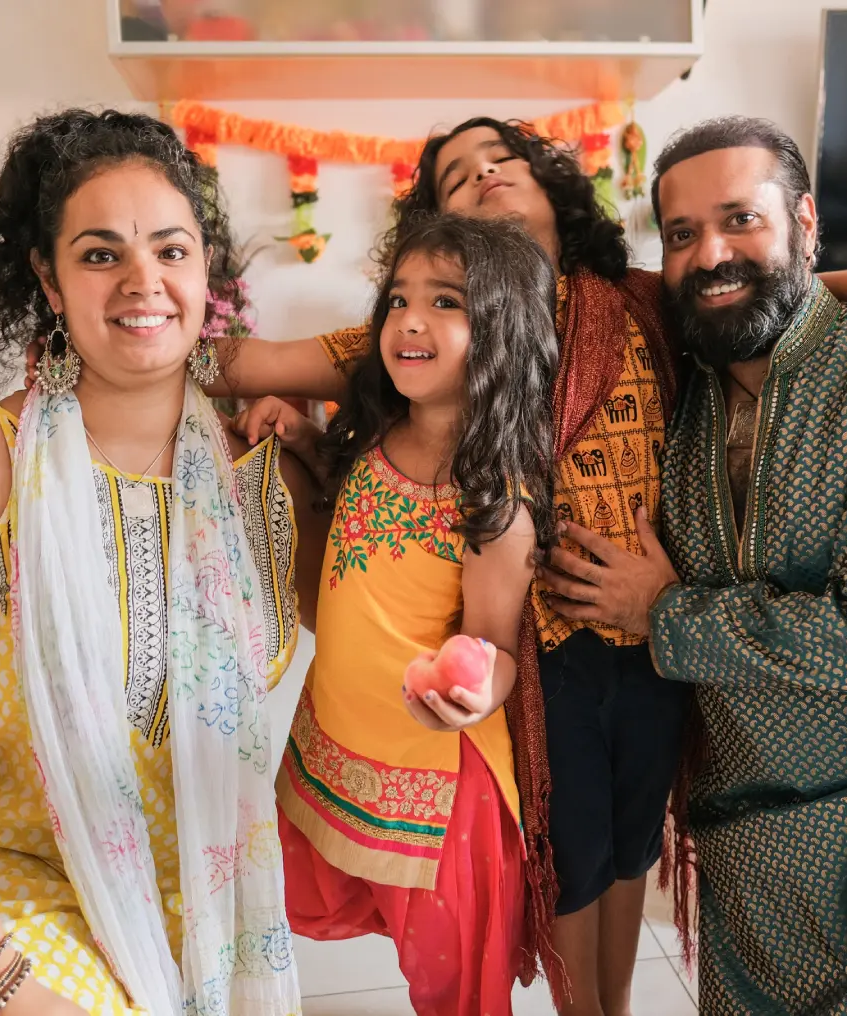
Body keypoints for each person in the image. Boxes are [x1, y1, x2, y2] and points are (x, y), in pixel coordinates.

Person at [21, 115, 847, 1014]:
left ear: (555, 190)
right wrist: (108, 337)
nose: (484, 175)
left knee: (629, 846)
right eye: (457, 175)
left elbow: (740, 289)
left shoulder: (644, 303)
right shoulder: (430, 332)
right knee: (569, 857)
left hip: (660, 642)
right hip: (543, 647)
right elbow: (247, 363)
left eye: (503, 159)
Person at [539, 115, 847, 1014]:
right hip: (762, 847)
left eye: (741, 219)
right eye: (683, 234)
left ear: (805, 222)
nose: (710, 254)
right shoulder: (676, 387)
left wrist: (665, 613)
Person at [0, 109, 324, 1016]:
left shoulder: (268, 479)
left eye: (172, 250)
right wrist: (0, 986)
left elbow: (379, 661)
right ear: (49, 280)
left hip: (205, 911)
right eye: (102, 254)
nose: (144, 280)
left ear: (206, 274)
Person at [240, 213, 558, 1016]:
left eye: (446, 301)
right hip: (347, 741)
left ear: (501, 332)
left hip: (440, 789)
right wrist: (304, 443)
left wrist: (473, 693)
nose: (410, 321)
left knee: (451, 994)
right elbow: (353, 516)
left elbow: (495, 646)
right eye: (398, 300)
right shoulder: (379, 430)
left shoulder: (495, 499)